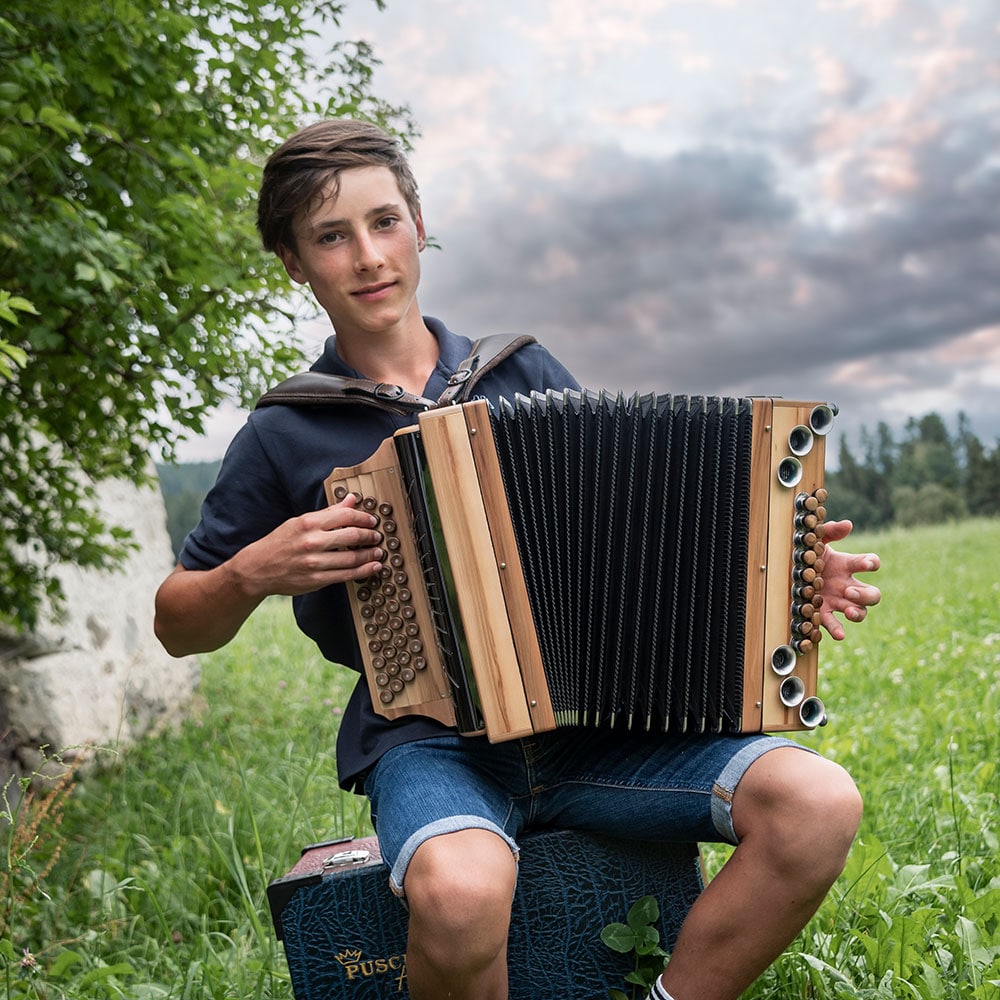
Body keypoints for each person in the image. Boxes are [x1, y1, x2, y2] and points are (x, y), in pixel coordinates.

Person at [154, 119, 881, 1000]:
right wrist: (251, 570)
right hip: (431, 743)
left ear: (418, 224)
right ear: (294, 262)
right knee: (460, 894)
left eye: (384, 222)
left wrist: (786, 569)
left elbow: (638, 532)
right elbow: (177, 623)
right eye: (330, 236)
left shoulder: (519, 370)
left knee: (820, 804)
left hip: (598, 730)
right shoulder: (284, 431)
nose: (368, 256)